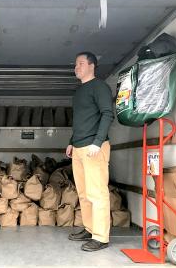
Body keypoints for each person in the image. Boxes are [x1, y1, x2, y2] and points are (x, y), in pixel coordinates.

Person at [66, 52, 114, 252]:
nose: (76, 67)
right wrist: (71, 142)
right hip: (78, 147)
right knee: (84, 193)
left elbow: (107, 113)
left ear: (92, 66)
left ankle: (101, 237)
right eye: (75, 64)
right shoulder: (79, 92)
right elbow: (80, 121)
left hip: (94, 147)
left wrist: (98, 141)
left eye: (81, 63)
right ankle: (90, 228)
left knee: (98, 193)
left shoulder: (100, 86)